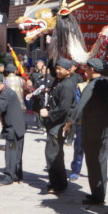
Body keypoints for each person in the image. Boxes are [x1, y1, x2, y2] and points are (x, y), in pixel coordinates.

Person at [72, 58, 108, 205]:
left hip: (92, 129)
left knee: (93, 162)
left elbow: (80, 106)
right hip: (103, 128)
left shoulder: (91, 86)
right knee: (101, 162)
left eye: (86, 69)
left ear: (92, 70)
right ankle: (100, 193)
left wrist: (70, 121)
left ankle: (97, 195)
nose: (85, 71)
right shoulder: (104, 83)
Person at [40, 58, 78, 193]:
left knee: (53, 154)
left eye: (60, 69)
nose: (57, 71)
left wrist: (48, 113)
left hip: (59, 124)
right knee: (54, 154)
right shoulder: (60, 81)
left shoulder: (67, 85)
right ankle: (57, 182)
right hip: (55, 123)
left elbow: (64, 108)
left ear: (69, 70)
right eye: (57, 68)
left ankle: (58, 184)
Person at [0, 71, 27, 185]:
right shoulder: (8, 92)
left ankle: (9, 177)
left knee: (11, 152)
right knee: (17, 152)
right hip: (18, 126)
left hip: (13, 128)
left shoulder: (6, 94)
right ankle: (17, 176)